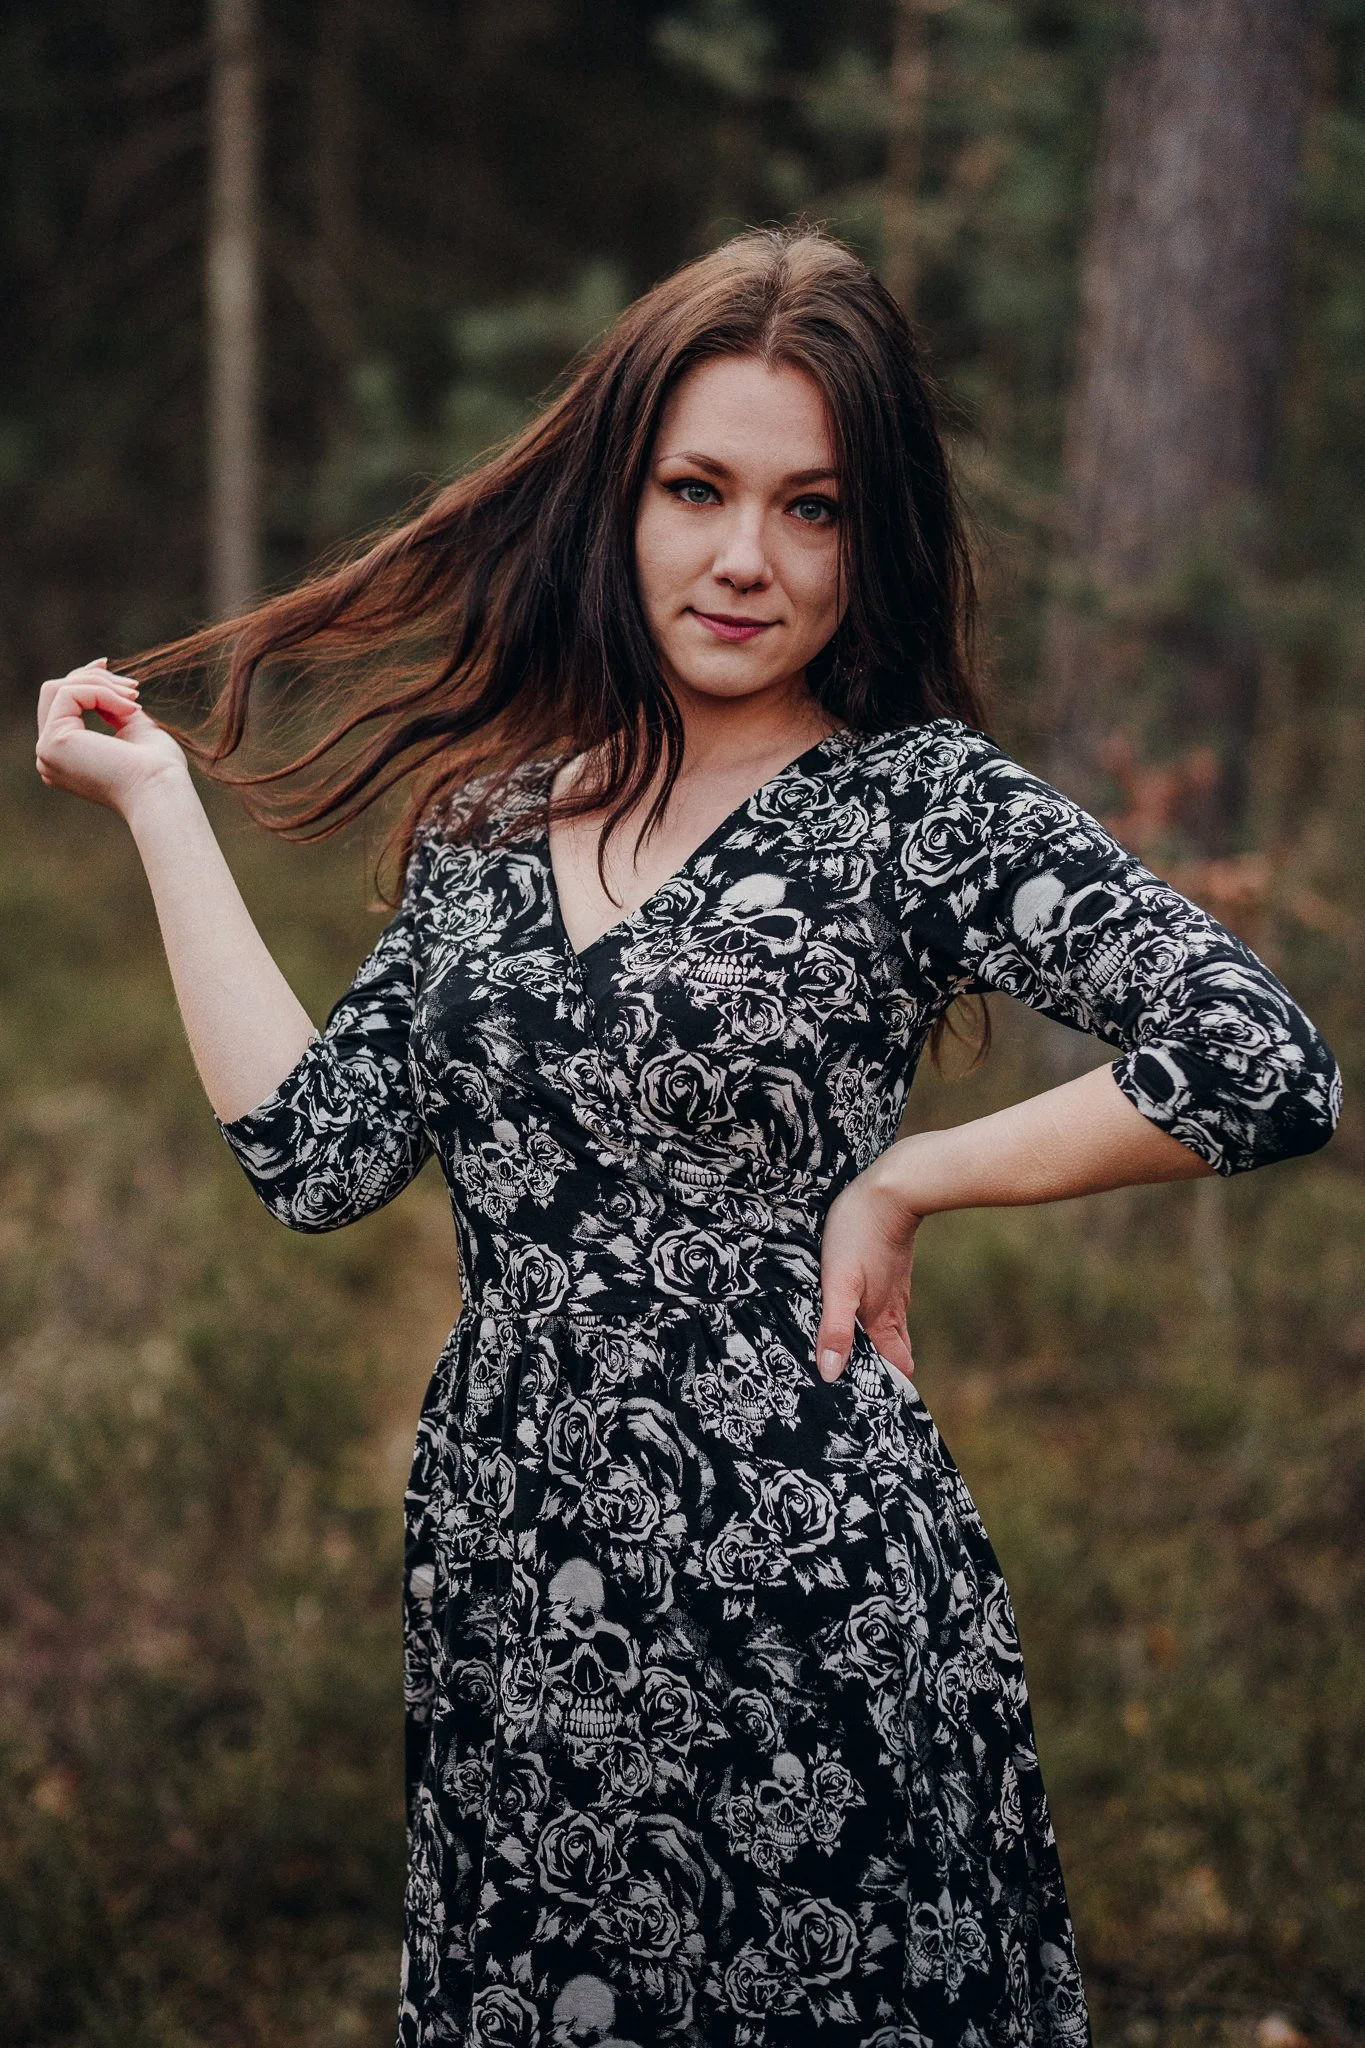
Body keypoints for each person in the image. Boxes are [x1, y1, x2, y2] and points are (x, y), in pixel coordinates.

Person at [35, 227, 1339, 2048]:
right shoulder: (494, 817)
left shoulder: (919, 809)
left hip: (810, 1610)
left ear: (869, 535)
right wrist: (166, 806)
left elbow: (1256, 1056)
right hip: (513, 1598)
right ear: (619, 498)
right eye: (698, 489)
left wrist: (912, 1173)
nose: (746, 557)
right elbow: (318, 1157)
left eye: (811, 508)